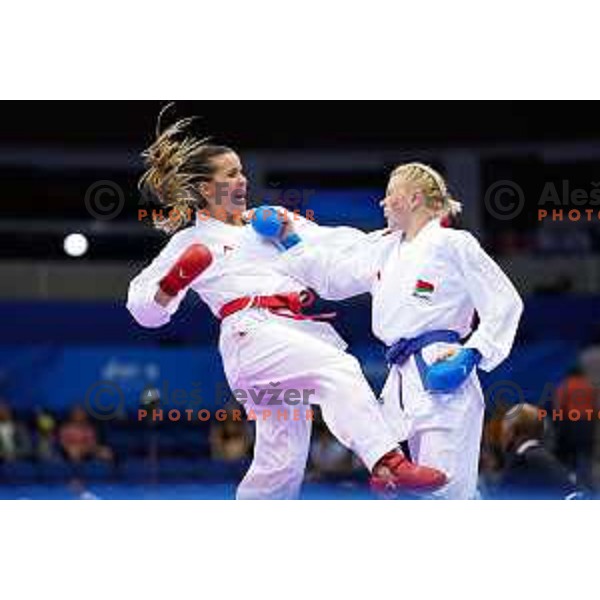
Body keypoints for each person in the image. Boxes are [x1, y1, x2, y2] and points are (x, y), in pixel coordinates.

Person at [126, 110, 447, 500]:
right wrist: (171, 284)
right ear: (207, 190)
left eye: (241, 171)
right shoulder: (191, 242)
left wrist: (398, 234)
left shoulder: (272, 221)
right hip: (252, 337)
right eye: (229, 174)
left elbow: (334, 247)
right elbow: (143, 308)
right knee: (338, 369)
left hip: (289, 336)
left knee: (281, 462)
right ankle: (387, 463)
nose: (242, 179)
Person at [253, 162, 524, 499]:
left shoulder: (453, 243)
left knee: (448, 493)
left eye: (389, 194)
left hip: (441, 366)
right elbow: (335, 276)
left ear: (412, 199)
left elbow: (504, 301)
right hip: (399, 380)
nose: (382, 203)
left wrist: (475, 351)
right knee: (403, 491)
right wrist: (289, 239)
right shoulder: (384, 248)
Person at [497, 404, 578, 499]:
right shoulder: (547, 459)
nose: (501, 437)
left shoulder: (522, 462)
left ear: (512, 431)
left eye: (503, 429)